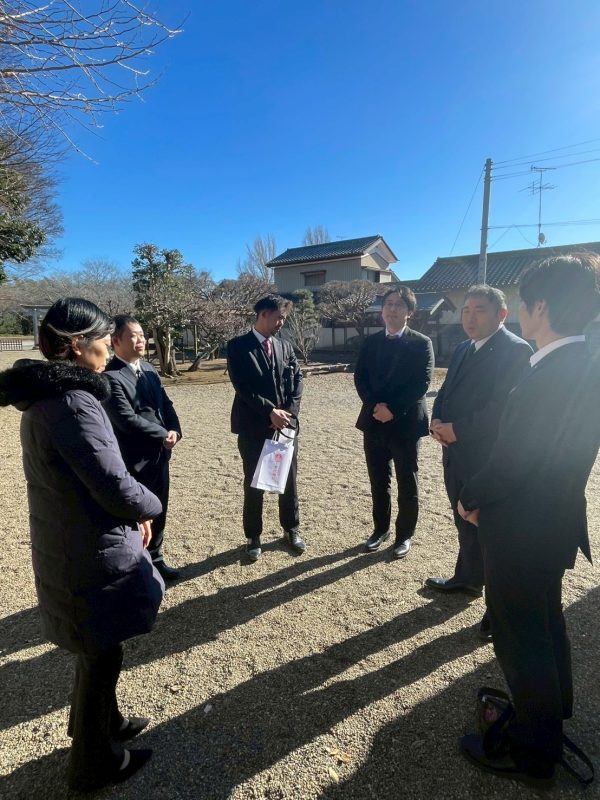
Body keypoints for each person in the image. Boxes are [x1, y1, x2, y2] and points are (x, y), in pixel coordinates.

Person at [0, 298, 164, 792]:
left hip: (73, 540)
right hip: (90, 550)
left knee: (98, 648)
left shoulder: (49, 397)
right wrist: (149, 504)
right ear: (77, 346)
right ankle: (93, 763)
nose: (107, 348)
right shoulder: (73, 402)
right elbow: (113, 485)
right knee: (102, 652)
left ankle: (101, 727)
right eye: (101, 338)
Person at [457, 253, 600, 786]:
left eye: (522, 301)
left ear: (541, 306)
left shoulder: (548, 374)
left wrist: (471, 495)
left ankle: (533, 751)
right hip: (555, 520)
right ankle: (551, 713)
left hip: (521, 526)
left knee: (520, 637)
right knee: (546, 621)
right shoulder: (585, 365)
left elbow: (514, 459)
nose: (518, 309)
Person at [426, 286, 531, 638]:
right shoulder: (461, 348)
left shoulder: (516, 351)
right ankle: (468, 579)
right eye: (466, 310)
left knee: (492, 533)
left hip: (486, 457)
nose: (470, 317)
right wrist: (437, 421)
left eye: (480, 310)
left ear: (502, 314)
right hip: (454, 451)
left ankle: (497, 611)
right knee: (463, 518)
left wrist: (459, 430)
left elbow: (504, 410)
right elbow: (445, 392)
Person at [354, 286, 434, 558]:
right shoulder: (371, 341)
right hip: (374, 420)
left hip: (405, 423)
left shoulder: (421, 342)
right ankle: (380, 529)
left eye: (399, 305)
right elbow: (360, 377)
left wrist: (393, 410)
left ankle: (404, 534)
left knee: (406, 480)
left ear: (409, 312)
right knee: (378, 480)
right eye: (388, 304)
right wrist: (374, 405)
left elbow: (421, 383)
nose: (392, 309)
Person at [103, 315, 182, 581]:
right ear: (115, 341)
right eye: (133, 335)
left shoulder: (147, 368)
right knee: (136, 515)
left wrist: (175, 430)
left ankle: (156, 558)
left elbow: (166, 404)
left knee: (159, 508)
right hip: (133, 459)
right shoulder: (111, 376)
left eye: (142, 334)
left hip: (159, 455)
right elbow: (125, 419)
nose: (141, 340)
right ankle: (137, 564)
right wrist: (162, 434)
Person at [227, 295, 304, 561]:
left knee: (289, 480)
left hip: (285, 426)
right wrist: (269, 411)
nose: (281, 323)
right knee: (253, 482)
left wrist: (289, 412)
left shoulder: (286, 347)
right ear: (263, 314)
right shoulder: (237, 347)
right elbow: (242, 387)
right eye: (278, 317)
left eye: (284, 318)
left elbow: (297, 379)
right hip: (253, 426)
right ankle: (253, 535)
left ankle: (291, 528)